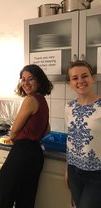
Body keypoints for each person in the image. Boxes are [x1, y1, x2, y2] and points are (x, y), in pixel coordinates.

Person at [0, 64, 53, 208]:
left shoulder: (30, 100)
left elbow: (14, 130)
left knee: (2, 196)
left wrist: (11, 137)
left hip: (22, 153)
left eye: (31, 79)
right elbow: (47, 130)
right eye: (23, 79)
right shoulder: (42, 100)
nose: (26, 83)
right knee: (25, 200)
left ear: (39, 81)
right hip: (36, 155)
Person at [65, 60, 101, 208]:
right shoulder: (69, 107)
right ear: (70, 83)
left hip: (97, 174)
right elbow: (70, 140)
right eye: (75, 78)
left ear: (93, 78)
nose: (80, 81)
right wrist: (66, 170)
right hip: (74, 171)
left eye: (84, 76)